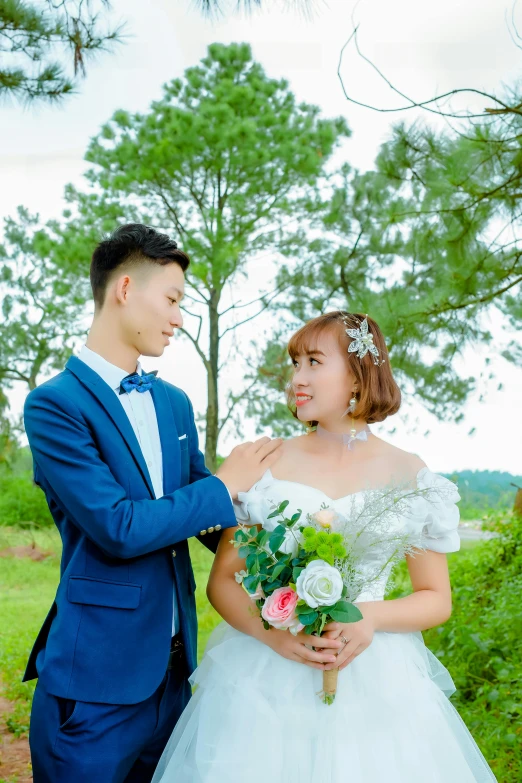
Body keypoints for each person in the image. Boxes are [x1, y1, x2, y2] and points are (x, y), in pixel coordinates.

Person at [153, 311, 497, 782]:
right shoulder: (265, 465)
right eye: (295, 363)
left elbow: (436, 598)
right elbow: (224, 583)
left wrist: (370, 617)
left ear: (358, 375)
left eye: (314, 362)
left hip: (378, 680)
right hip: (266, 679)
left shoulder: (412, 475)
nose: (298, 377)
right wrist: (272, 636)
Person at [23, 223, 282, 783]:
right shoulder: (53, 406)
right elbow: (118, 527)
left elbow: (206, 517)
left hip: (174, 679)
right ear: (124, 289)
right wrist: (225, 482)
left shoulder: (173, 402)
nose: (179, 318)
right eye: (171, 299)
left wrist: (283, 549)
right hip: (94, 683)